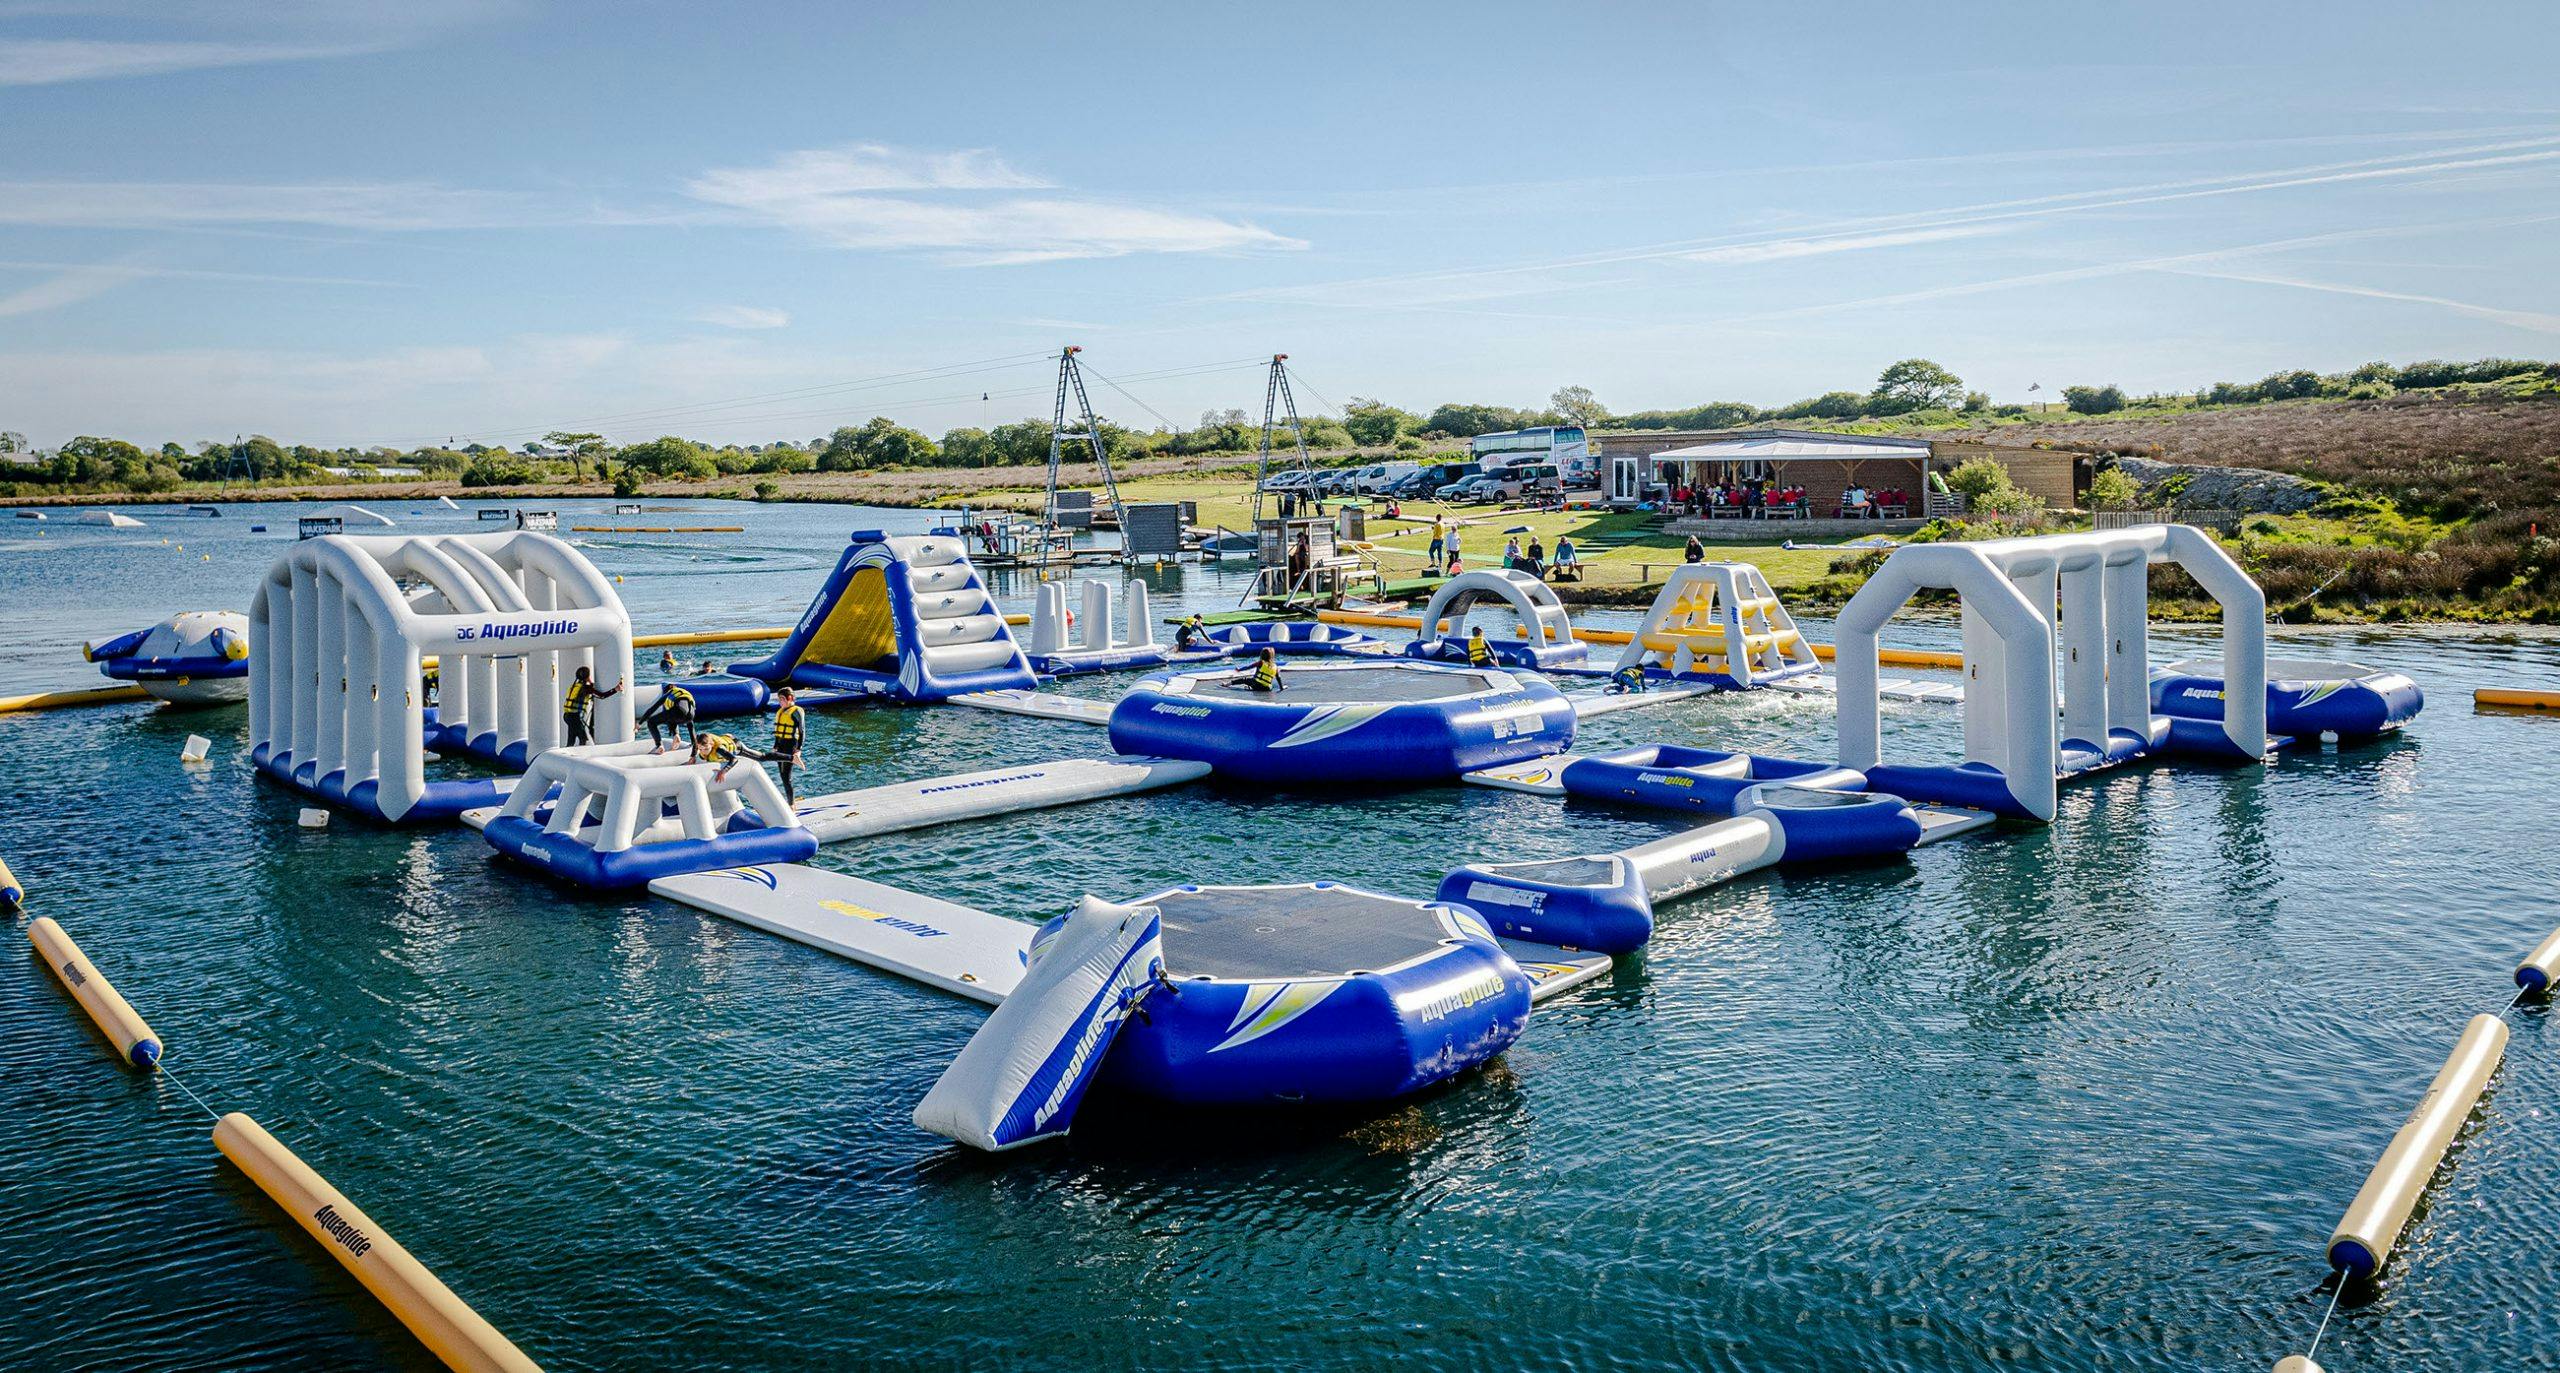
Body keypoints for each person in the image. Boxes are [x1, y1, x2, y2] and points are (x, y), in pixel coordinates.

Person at [561, 664, 620, 747]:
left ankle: (567, 755)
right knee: (583, 738)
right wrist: (615, 689)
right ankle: (580, 756)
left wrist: (591, 684)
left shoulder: (574, 686)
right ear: (587, 677)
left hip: (567, 716)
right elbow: (601, 696)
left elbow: (584, 692)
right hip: (574, 718)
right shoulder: (586, 688)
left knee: (571, 739)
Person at [765, 686, 806, 807]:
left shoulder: (797, 711)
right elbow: (778, 733)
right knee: (782, 775)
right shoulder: (781, 711)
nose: (780, 702)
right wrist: (775, 746)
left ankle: (791, 804)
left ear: (790, 698)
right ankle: (789, 801)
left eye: (782, 699)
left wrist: (799, 750)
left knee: (786, 776)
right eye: (779, 699)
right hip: (781, 746)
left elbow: (802, 731)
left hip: (791, 745)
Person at [638, 681, 697, 751]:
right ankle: (676, 735)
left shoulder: (669, 693)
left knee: (651, 722)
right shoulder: (684, 694)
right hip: (691, 716)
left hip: (677, 712)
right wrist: (694, 744)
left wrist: (640, 723)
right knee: (671, 717)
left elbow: (652, 709)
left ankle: (659, 745)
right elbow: (691, 726)